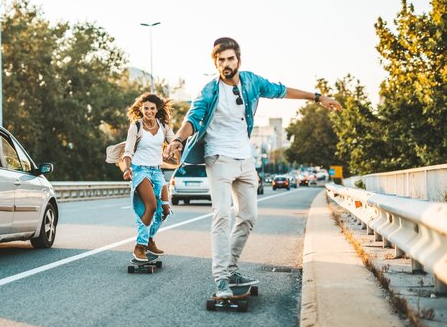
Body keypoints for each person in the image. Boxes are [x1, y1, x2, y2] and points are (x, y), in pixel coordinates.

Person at [164, 37, 342, 297]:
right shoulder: (209, 91)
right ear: (215, 63)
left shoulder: (251, 82)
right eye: (221, 60)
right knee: (223, 214)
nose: (226, 64)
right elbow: (192, 117)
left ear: (238, 60)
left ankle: (232, 269)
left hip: (245, 161)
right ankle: (221, 279)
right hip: (219, 159)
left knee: (248, 217)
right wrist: (179, 139)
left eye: (230, 59)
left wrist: (317, 97)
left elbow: (281, 90)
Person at [123, 92, 175, 262]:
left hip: (157, 171)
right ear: (141, 109)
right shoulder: (136, 127)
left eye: (152, 108)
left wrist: (173, 149)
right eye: (146, 108)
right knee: (151, 206)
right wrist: (127, 168)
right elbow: (128, 150)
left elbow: (174, 141)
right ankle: (140, 246)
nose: (149, 111)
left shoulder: (163, 127)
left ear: (157, 109)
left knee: (165, 210)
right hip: (140, 171)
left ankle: (149, 239)